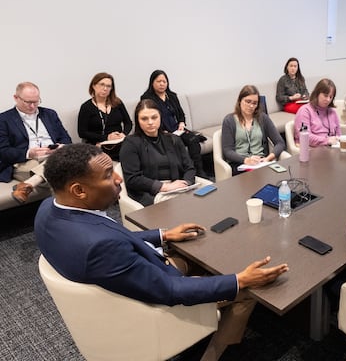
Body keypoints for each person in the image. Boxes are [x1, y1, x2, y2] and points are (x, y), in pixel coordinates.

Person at [34, 143, 289, 361]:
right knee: (248, 289)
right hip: (152, 304)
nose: (119, 179)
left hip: (128, 277)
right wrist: (239, 280)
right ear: (79, 190)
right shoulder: (101, 249)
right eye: (108, 174)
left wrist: (162, 235)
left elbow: (110, 236)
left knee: (201, 252)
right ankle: (213, 354)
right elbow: (170, 291)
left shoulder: (49, 209)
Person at [0, 82, 71, 203]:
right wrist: (29, 153)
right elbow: (3, 151)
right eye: (28, 102)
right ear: (16, 98)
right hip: (25, 162)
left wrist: (60, 147)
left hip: (54, 156)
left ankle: (28, 184)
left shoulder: (49, 114)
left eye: (36, 101)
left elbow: (66, 139)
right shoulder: (4, 119)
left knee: (59, 168)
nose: (33, 106)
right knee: (64, 173)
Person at [119, 100, 196, 206]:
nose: (150, 122)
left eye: (154, 117)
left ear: (160, 117)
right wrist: (164, 187)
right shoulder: (131, 143)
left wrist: (186, 183)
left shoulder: (173, 139)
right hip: (150, 194)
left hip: (178, 188)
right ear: (138, 120)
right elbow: (132, 179)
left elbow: (189, 167)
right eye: (144, 119)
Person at [141, 70, 208, 178]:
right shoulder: (147, 98)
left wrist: (181, 123)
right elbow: (150, 118)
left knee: (193, 139)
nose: (162, 84)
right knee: (176, 143)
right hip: (161, 131)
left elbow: (181, 113)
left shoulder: (172, 96)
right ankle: (184, 173)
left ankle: (199, 171)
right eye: (158, 81)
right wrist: (162, 131)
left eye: (164, 81)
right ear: (152, 82)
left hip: (177, 129)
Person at [221, 85, 286, 174]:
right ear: (240, 101)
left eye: (254, 103)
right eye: (248, 102)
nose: (251, 106)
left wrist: (268, 158)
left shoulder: (263, 118)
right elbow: (227, 151)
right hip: (240, 164)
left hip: (260, 163)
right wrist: (246, 160)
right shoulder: (229, 120)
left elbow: (280, 142)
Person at [77, 72, 132, 160]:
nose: (105, 88)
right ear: (94, 86)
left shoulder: (117, 103)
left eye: (108, 86)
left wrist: (123, 134)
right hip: (97, 145)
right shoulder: (86, 107)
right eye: (102, 85)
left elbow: (128, 123)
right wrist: (106, 137)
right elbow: (82, 132)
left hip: (118, 143)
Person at [293, 78, 341, 147]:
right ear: (317, 93)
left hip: (331, 148)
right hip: (311, 150)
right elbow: (305, 137)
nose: (328, 100)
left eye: (331, 97)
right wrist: (327, 141)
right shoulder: (305, 111)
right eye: (325, 95)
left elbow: (338, 135)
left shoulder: (332, 112)